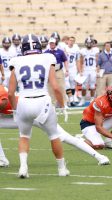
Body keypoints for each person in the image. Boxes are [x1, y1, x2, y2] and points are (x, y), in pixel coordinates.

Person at [0, 85, 110, 167]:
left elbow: (4, 102)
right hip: (16, 115)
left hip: (32, 112)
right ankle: (2, 160)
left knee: (64, 137)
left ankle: (99, 156)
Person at [8, 34, 70, 178]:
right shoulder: (48, 58)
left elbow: (11, 93)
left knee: (24, 136)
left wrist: (15, 110)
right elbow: (55, 87)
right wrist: (62, 104)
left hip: (23, 100)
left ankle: (23, 168)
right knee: (54, 135)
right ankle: (61, 169)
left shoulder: (16, 61)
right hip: (43, 101)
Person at [44, 37, 69, 106]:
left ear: (55, 43)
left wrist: (67, 70)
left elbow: (65, 60)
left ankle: (64, 103)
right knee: (50, 88)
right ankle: (53, 104)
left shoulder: (60, 51)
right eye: (50, 43)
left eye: (53, 43)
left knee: (61, 87)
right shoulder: (46, 52)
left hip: (59, 71)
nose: (52, 44)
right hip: (50, 72)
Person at [78, 37, 99, 106]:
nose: (89, 44)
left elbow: (97, 61)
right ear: (85, 43)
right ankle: (83, 99)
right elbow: (81, 62)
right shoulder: (83, 51)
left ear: (92, 43)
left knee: (92, 86)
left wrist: (97, 69)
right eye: (88, 43)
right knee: (84, 86)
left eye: (90, 43)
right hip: (85, 70)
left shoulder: (95, 50)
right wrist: (80, 71)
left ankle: (92, 99)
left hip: (93, 69)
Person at [65, 36, 80, 106]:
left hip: (73, 67)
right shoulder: (64, 48)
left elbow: (77, 60)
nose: (71, 42)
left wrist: (79, 69)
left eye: (73, 41)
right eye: (70, 40)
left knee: (72, 84)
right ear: (68, 41)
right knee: (66, 84)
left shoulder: (76, 49)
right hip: (65, 68)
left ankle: (72, 99)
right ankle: (69, 99)